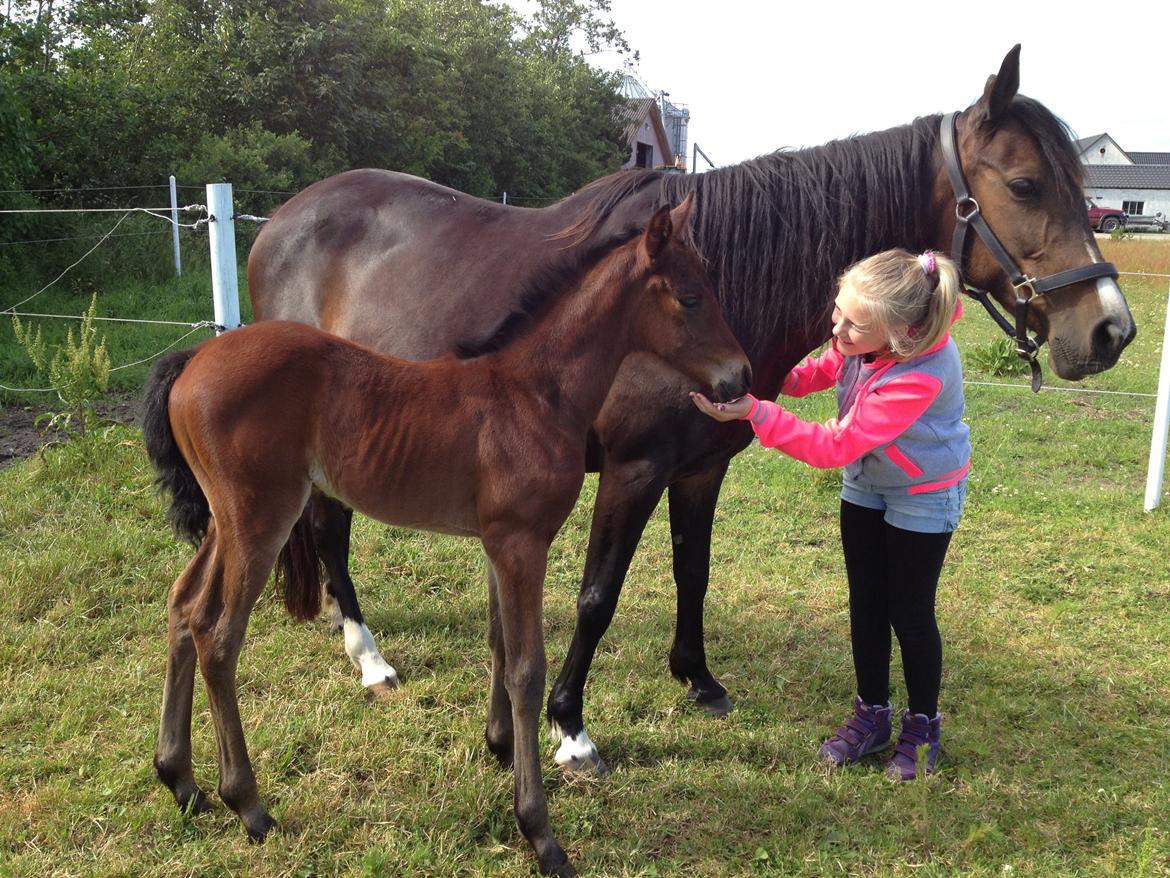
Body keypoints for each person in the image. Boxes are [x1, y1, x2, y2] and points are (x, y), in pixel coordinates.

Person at [690, 248, 968, 781]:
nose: (836, 329)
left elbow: (833, 445)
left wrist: (756, 412)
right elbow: (826, 366)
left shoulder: (922, 373)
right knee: (866, 602)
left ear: (902, 334)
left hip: (922, 493)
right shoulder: (864, 340)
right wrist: (776, 375)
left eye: (852, 324)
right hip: (868, 481)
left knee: (909, 613)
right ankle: (873, 714)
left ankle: (922, 725)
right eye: (837, 311)